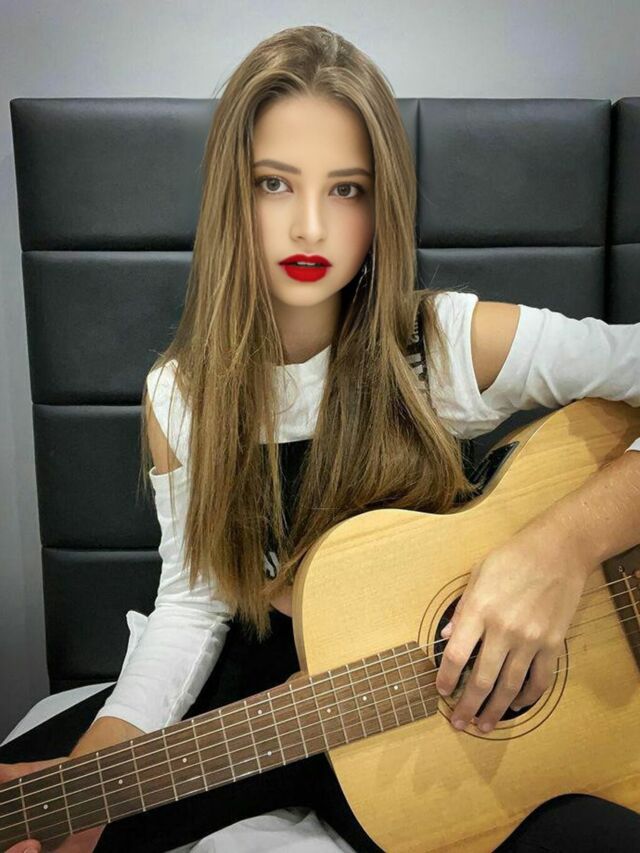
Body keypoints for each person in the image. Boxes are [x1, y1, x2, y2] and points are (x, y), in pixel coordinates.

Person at [1, 24, 640, 853]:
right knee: (44, 801)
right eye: (274, 183)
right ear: (231, 195)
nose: (309, 226)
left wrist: (556, 552)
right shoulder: (182, 395)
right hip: (277, 696)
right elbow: (193, 602)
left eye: (346, 189)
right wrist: (108, 753)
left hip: (444, 717)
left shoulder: (443, 345)